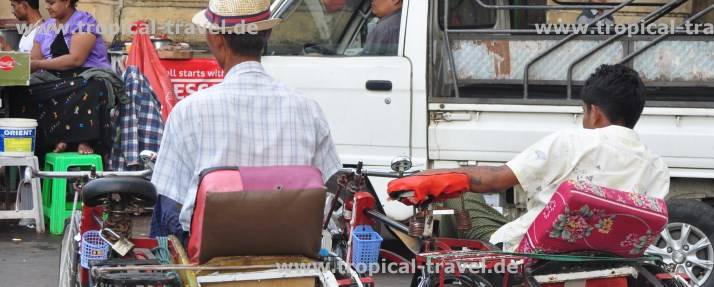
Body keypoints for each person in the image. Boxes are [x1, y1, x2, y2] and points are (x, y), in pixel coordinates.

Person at [389, 64, 670, 251]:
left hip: (528, 254)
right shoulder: (657, 168)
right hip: (605, 262)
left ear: (594, 112)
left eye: (584, 112)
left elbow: (494, 181)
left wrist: (428, 176)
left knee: (460, 195)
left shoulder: (574, 141)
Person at [150, 0, 341, 240]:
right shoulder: (308, 109)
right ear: (268, 34)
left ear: (216, 39)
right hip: (292, 254)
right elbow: (331, 188)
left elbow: (169, 206)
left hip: (210, 259)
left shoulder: (188, 111)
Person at [28, 0, 112, 155]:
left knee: (90, 88)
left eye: (51, 2)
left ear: (67, 2)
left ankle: (82, 140)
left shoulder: (84, 22)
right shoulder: (45, 28)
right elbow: (33, 61)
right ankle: (56, 138)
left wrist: (39, 64)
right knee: (25, 91)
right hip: (54, 79)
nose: (47, 7)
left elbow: (76, 59)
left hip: (84, 75)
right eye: (46, 2)